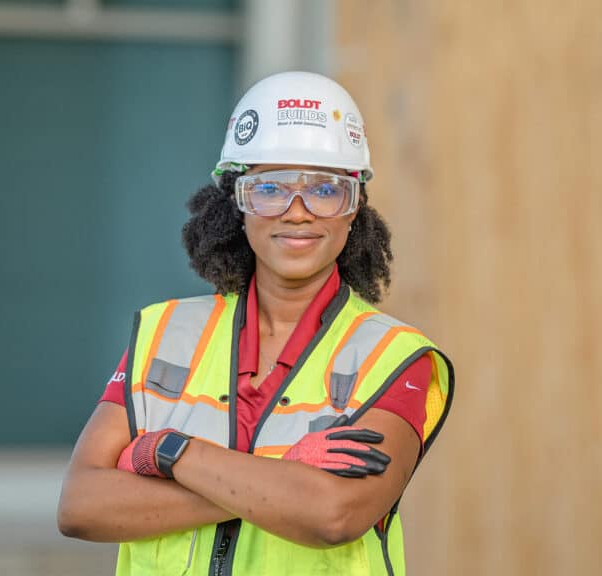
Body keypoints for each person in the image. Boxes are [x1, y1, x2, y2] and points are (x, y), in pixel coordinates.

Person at [57, 71, 454, 575]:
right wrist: (287, 475)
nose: (297, 213)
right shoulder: (165, 333)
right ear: (237, 204)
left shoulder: (397, 358)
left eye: (325, 191)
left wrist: (167, 451)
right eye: (270, 188)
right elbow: (81, 506)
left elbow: (334, 513)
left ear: (354, 209)